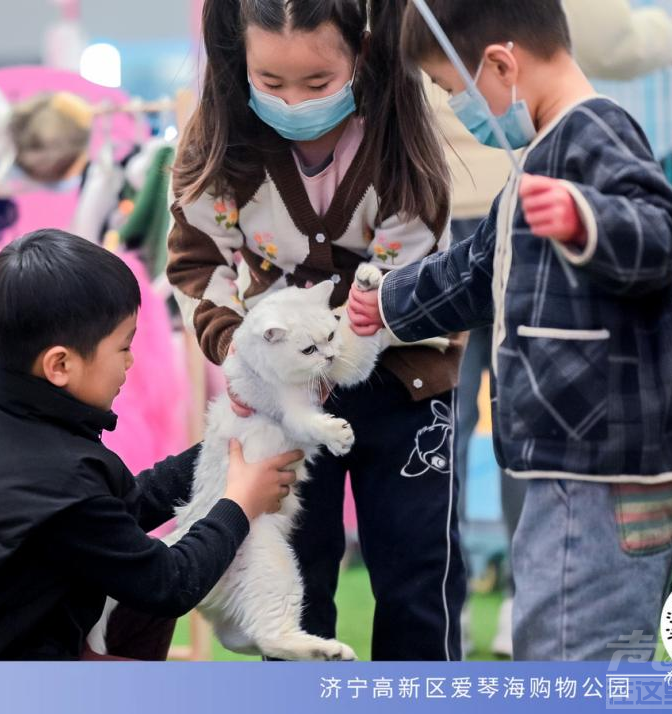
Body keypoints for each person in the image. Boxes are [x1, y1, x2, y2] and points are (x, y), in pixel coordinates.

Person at [348, 0, 672, 660]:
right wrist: (391, 303)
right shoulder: (539, 153)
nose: (453, 109)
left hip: (603, 464)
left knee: (573, 647)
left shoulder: (593, 130)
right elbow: (476, 267)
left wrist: (587, 219)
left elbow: (658, 231)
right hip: (573, 455)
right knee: (570, 638)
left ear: (499, 65)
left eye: (447, 90)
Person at [167, 0, 466, 660]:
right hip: (279, 397)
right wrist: (243, 351)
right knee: (292, 575)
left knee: (417, 576)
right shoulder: (219, 143)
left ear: (360, 56)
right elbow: (197, 265)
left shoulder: (398, 141)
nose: (292, 101)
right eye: (270, 83)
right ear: (235, 63)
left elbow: (394, 287)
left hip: (403, 383)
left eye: (316, 84)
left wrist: (331, 335)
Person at [0, 230, 303, 660]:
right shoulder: (53, 473)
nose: (131, 361)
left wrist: (224, 450)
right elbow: (169, 582)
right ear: (60, 365)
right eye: (123, 347)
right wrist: (239, 503)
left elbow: (107, 514)